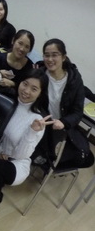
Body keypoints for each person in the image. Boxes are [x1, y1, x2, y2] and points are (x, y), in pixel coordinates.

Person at [0, 70, 52, 219]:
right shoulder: (8, 102)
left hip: (16, 162)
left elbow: (23, 154)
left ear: (40, 94)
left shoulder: (37, 120)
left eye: (34, 89)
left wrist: (32, 132)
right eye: (25, 84)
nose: (26, 91)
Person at [35, 39, 94, 169]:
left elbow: (77, 112)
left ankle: (48, 159)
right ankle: (46, 158)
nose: (50, 59)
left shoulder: (74, 79)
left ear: (63, 57)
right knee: (54, 156)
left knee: (87, 159)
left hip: (63, 126)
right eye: (46, 55)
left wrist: (64, 122)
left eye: (54, 55)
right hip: (42, 125)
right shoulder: (39, 75)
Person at [0, 29, 35, 98]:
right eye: (20, 43)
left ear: (29, 50)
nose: (22, 49)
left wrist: (13, 84)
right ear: (13, 41)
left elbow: (28, 89)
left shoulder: (30, 68)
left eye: (27, 47)